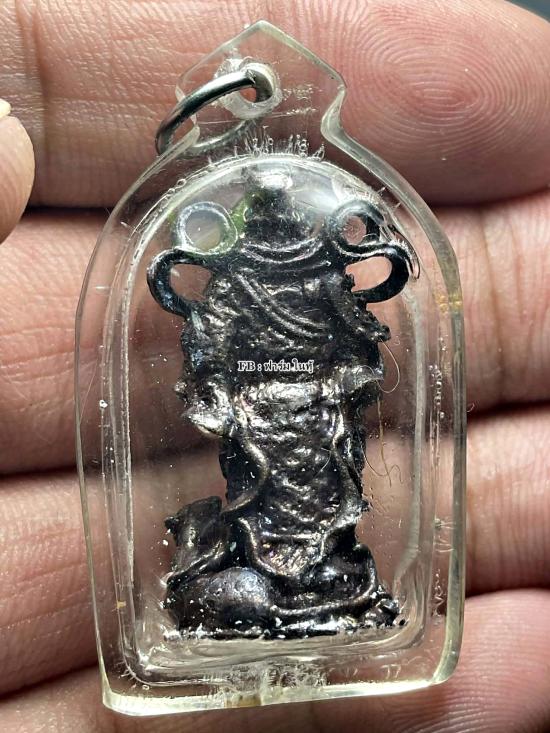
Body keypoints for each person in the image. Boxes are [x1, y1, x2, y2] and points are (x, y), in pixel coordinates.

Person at [0, 0, 549, 730]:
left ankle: (325, 579)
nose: (280, 242)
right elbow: (205, 329)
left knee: (329, 496)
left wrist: (344, 373)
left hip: (318, 408)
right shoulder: (232, 282)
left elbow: (359, 331)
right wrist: (222, 386)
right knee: (256, 498)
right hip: (256, 409)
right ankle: (261, 579)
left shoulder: (326, 273)